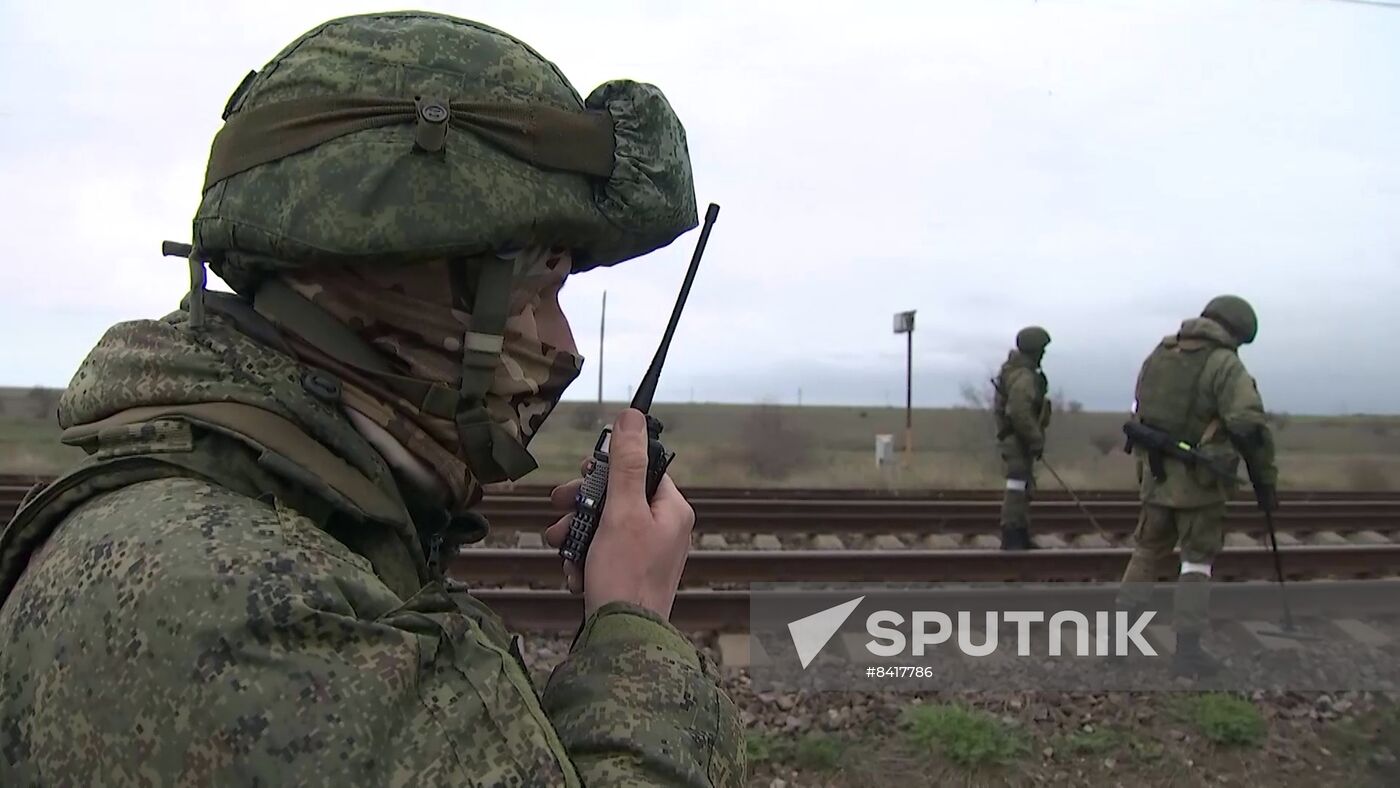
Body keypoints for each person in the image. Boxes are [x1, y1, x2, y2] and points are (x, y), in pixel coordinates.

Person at [0, 12, 743, 786]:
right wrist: (634, 629)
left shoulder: (288, 528)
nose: (563, 343)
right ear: (401, 275)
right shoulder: (254, 607)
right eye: (542, 282)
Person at [1118, 295, 1278, 677]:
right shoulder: (1225, 364)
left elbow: (1142, 407)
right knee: (1196, 561)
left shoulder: (1159, 355)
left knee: (1146, 552)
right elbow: (1248, 425)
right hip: (1201, 484)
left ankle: (1116, 640)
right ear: (1235, 331)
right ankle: (1186, 652)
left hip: (1156, 477)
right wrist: (1264, 481)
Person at [992, 326, 1052, 551]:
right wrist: (1035, 439)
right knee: (1017, 489)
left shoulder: (1016, 371)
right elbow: (1019, 411)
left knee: (1022, 487)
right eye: (1042, 350)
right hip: (1017, 441)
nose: (1043, 354)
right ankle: (1013, 538)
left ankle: (1019, 534)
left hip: (1017, 440)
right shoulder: (1023, 377)